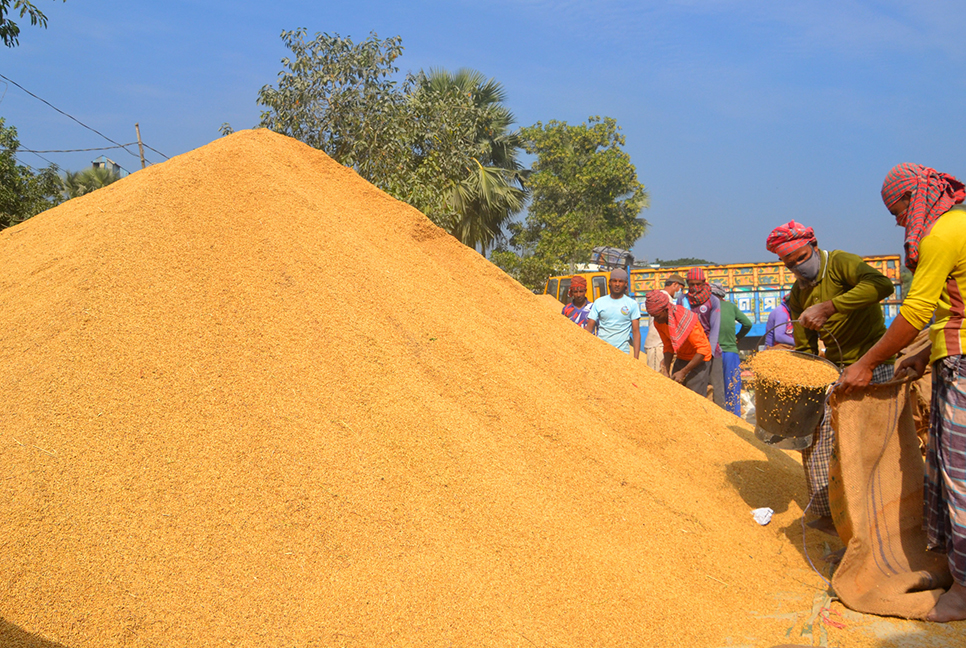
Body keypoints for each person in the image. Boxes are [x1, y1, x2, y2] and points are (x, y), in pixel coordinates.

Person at [839, 163, 966, 622]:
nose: (897, 221)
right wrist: (926, 356)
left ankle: (963, 593)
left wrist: (867, 364)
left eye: (898, 210)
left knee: (958, 476)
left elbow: (916, 309)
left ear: (919, 198)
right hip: (950, 356)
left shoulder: (942, 236)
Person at [766, 220, 895, 535]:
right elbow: (805, 343)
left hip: (872, 360)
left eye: (800, 257)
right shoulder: (798, 294)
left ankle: (881, 517)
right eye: (790, 263)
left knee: (869, 441)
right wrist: (805, 378)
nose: (798, 266)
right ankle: (829, 513)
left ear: (813, 245)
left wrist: (830, 307)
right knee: (816, 437)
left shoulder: (840, 263)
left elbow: (882, 286)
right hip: (835, 369)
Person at [645, 290, 712, 394]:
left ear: (665, 310)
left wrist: (683, 372)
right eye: (653, 317)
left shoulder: (686, 320)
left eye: (657, 316)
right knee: (676, 394)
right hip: (681, 358)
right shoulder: (659, 322)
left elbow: (703, 350)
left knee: (693, 397)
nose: (656, 320)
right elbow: (668, 347)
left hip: (699, 361)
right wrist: (666, 370)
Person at [683, 268, 722, 404]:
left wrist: (709, 352)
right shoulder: (683, 300)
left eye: (698, 284)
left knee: (717, 390)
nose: (695, 288)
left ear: (704, 282)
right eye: (691, 284)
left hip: (711, 350)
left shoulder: (713, 301)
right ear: (687, 283)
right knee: (695, 390)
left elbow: (715, 327)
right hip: (691, 351)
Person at [711, 283, 752, 415]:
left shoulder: (708, 307)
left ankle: (718, 416)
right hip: (730, 353)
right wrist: (738, 337)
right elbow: (747, 324)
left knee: (716, 387)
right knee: (732, 386)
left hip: (713, 354)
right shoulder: (731, 307)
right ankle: (734, 416)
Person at [585, 268, 641, 358]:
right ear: (610, 282)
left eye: (620, 281)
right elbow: (589, 328)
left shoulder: (632, 304)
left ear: (626, 283)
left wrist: (636, 358)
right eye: (614, 281)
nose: (617, 284)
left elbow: (636, 332)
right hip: (602, 352)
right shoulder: (599, 302)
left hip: (622, 353)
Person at [643, 274, 686, 373]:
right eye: (681, 289)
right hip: (657, 345)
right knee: (656, 377)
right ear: (675, 284)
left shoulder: (660, 297)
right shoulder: (664, 298)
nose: (681, 292)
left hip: (662, 345)